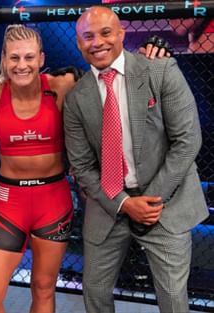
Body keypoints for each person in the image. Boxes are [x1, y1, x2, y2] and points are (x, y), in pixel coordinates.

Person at [63, 6, 209, 313]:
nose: (97, 42)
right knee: (95, 291)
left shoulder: (160, 69)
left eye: (105, 33)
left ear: (120, 34)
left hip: (165, 202)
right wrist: (125, 203)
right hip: (110, 204)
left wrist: (150, 201)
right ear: (79, 43)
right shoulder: (77, 98)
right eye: (88, 36)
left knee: (172, 297)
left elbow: (188, 141)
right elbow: (83, 167)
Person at [0, 24, 77, 313]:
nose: (22, 65)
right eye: (15, 58)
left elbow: (98, 78)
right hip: (9, 203)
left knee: (43, 289)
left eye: (29, 58)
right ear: (4, 60)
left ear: (41, 59)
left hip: (53, 201)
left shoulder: (60, 87)